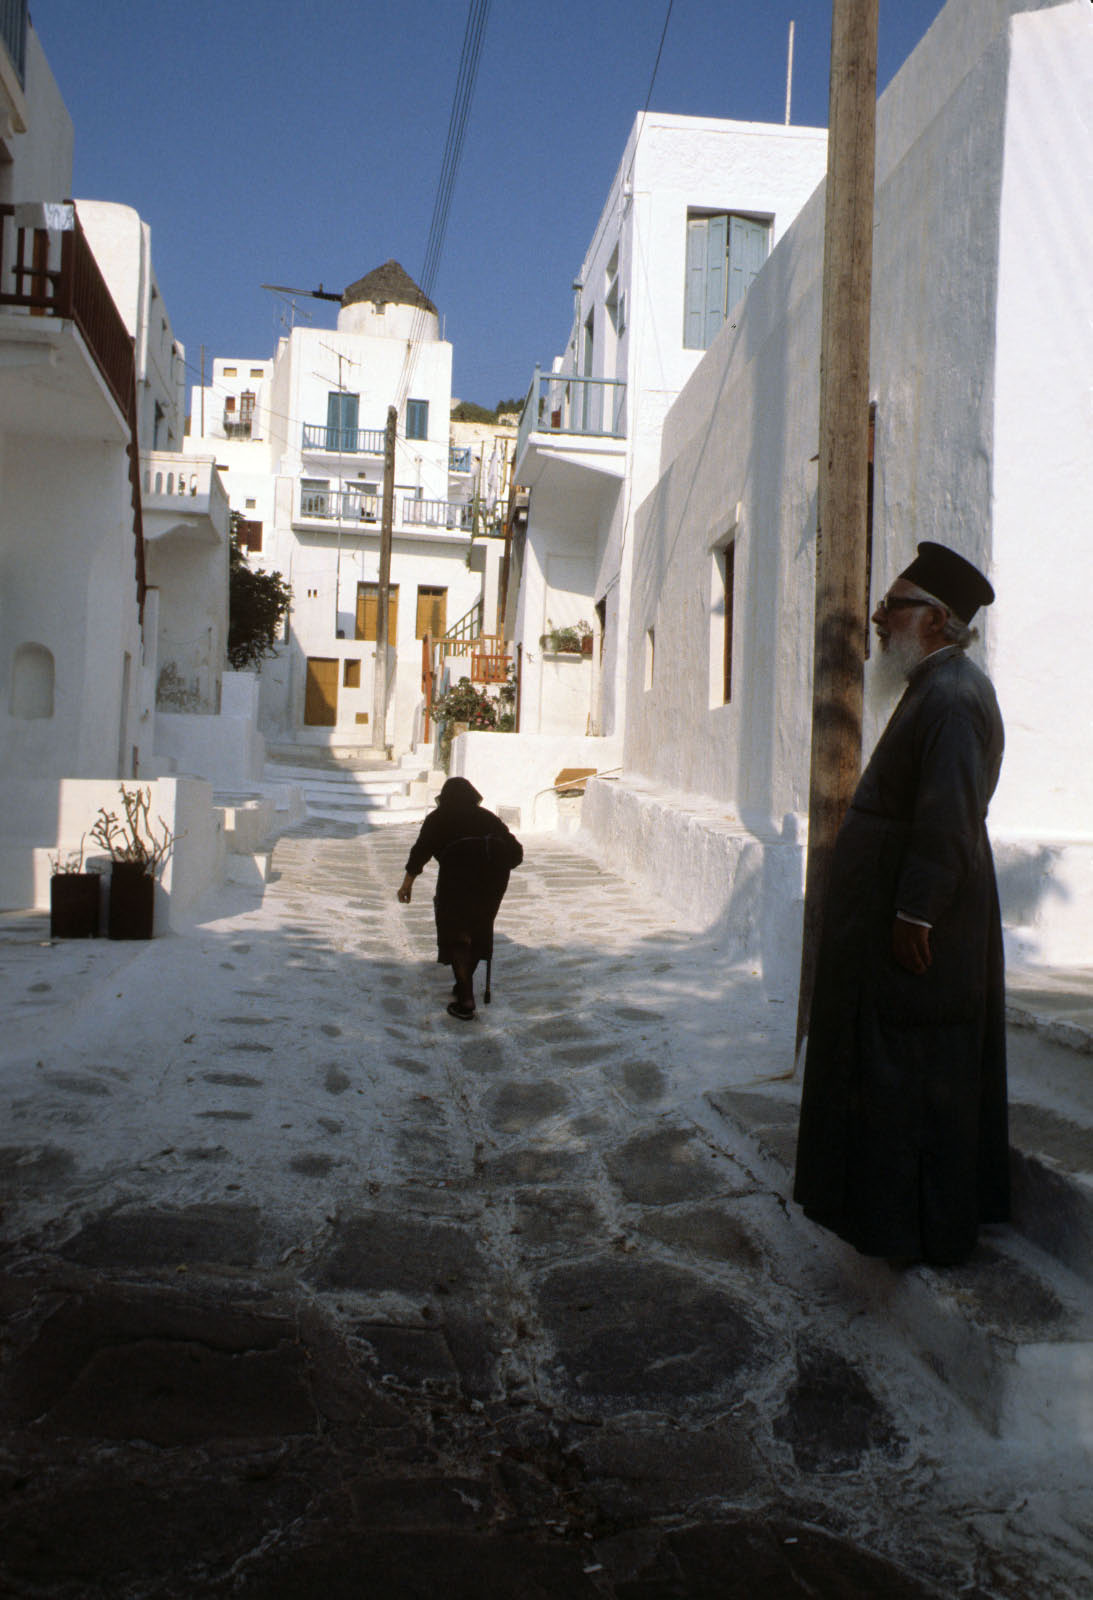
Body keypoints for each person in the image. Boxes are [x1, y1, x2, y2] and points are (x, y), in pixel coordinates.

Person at [794, 542, 1008, 1267]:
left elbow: (946, 815)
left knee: (915, 1070)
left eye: (894, 605)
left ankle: (923, 1232)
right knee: (895, 1066)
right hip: (909, 903)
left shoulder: (950, 697)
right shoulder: (934, 685)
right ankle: (892, 1221)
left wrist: (915, 913)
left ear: (937, 620)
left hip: (928, 919)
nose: (879, 618)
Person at [397, 776, 523, 1021]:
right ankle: (463, 983)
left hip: (457, 876)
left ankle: (465, 995)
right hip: (492, 880)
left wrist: (407, 885)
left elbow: (420, 850)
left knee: (457, 932)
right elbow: (516, 853)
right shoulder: (488, 818)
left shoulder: (438, 818)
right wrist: (493, 865)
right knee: (478, 928)